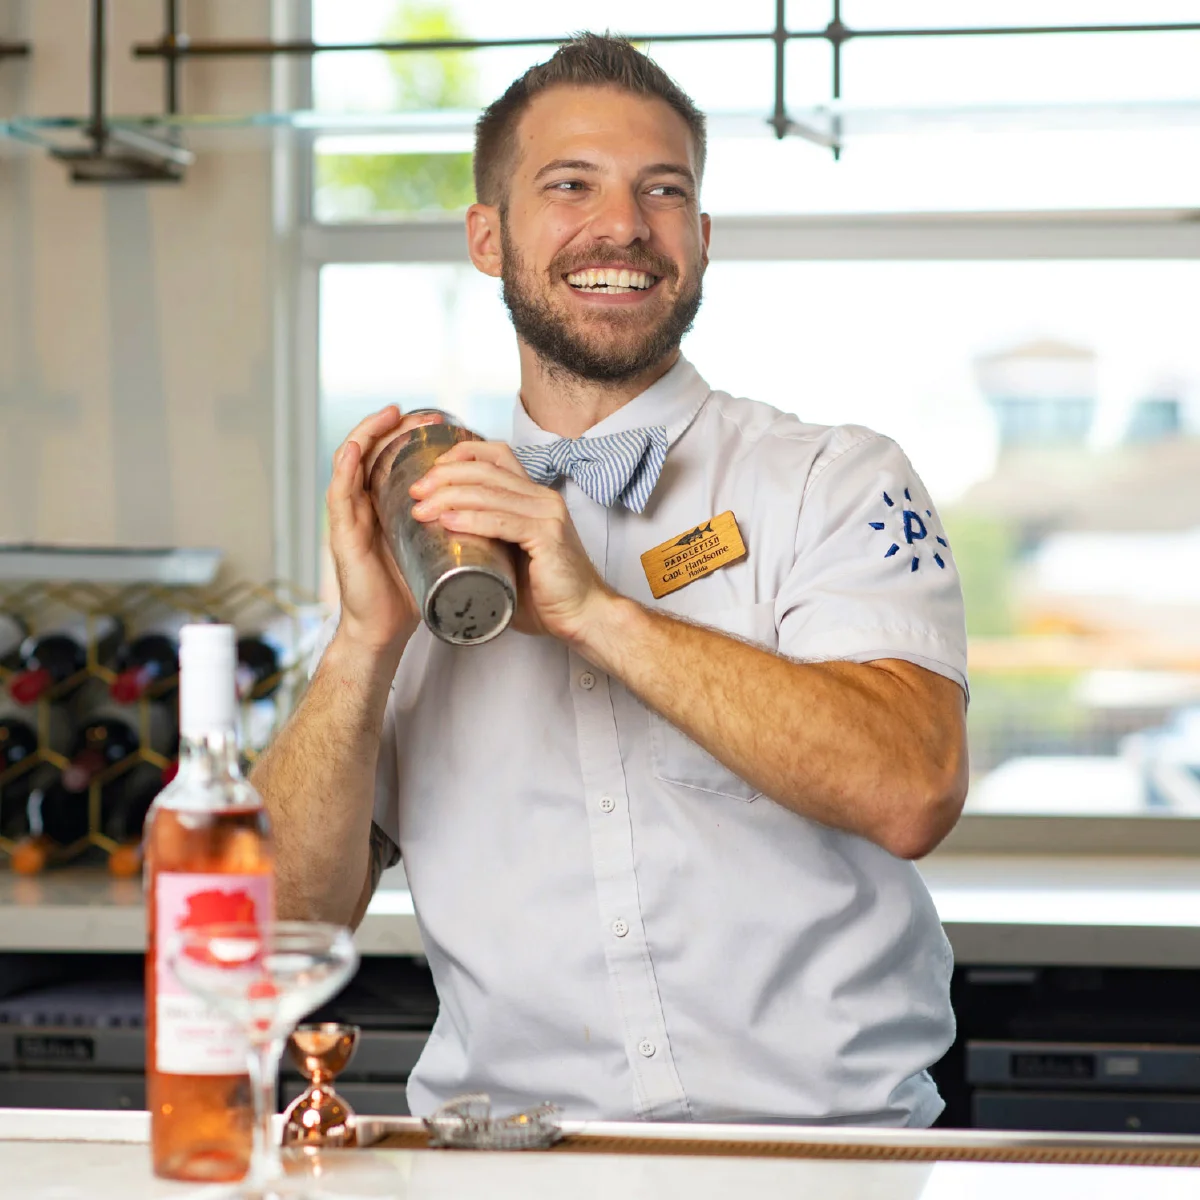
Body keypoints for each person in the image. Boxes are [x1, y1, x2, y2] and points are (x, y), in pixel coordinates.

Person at [253, 32, 969, 1127]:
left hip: (827, 1162)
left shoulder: (832, 479)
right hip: (508, 1164)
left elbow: (912, 787)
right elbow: (273, 932)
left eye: (663, 191)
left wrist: (597, 614)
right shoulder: (428, 538)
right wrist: (364, 642)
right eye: (570, 184)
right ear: (488, 239)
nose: (624, 226)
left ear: (703, 238)